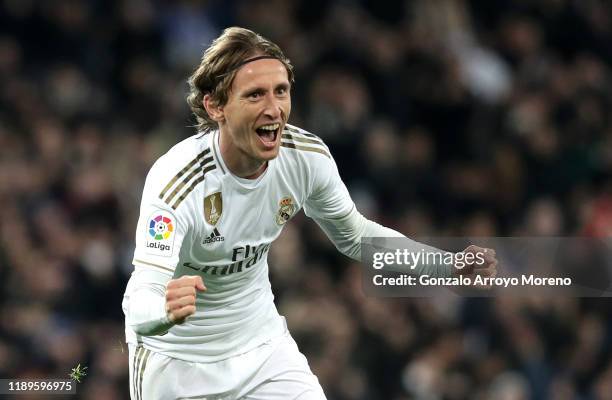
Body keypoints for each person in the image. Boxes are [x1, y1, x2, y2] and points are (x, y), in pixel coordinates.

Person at [122, 26, 497, 400]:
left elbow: (357, 237)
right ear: (215, 106)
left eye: (281, 91)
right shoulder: (179, 184)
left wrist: (445, 266)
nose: (273, 109)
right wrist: (162, 309)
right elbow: (141, 293)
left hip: (261, 349)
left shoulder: (304, 159)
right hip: (177, 363)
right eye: (255, 95)